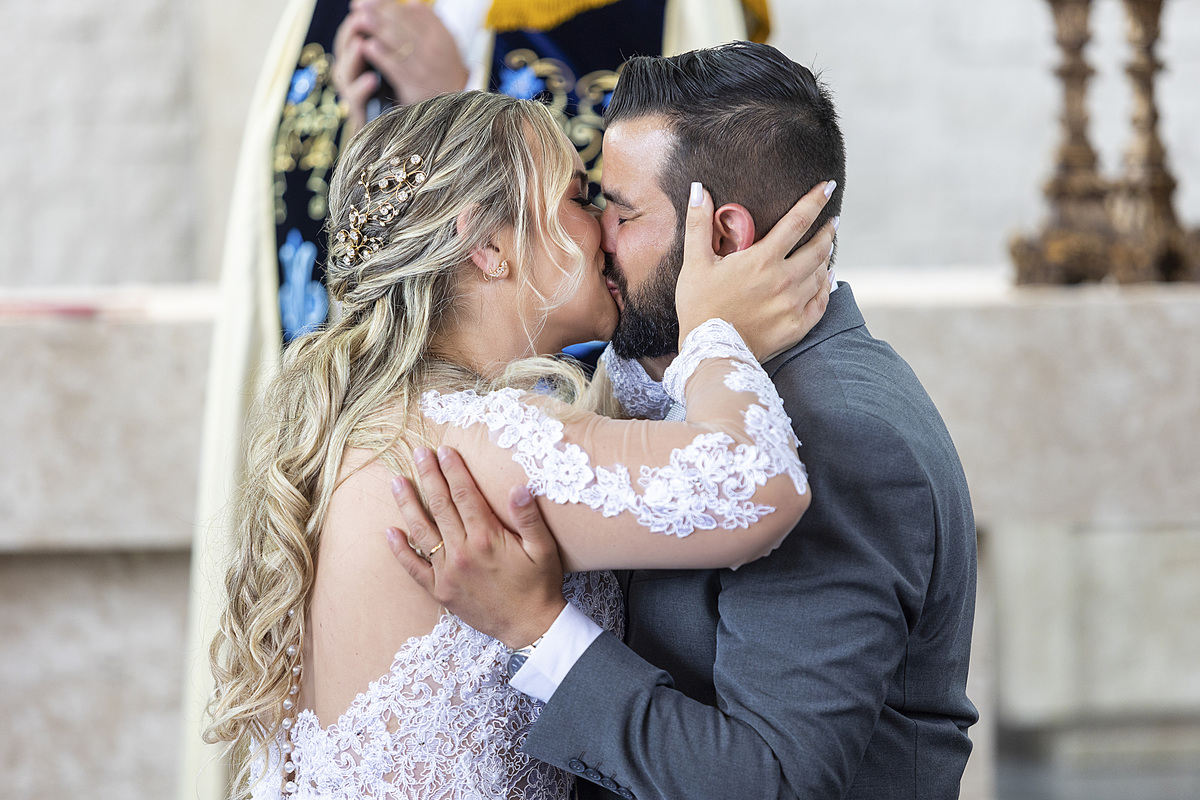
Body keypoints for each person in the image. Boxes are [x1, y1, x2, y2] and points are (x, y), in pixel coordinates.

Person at [204, 89, 837, 799]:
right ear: (490, 244)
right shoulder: (481, 444)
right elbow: (757, 480)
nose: (604, 224)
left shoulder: (382, 421)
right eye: (575, 195)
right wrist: (713, 329)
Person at [388, 42, 979, 800]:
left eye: (623, 212)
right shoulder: (670, 375)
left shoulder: (835, 431)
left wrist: (537, 627)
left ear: (724, 238)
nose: (597, 237)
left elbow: (768, 782)